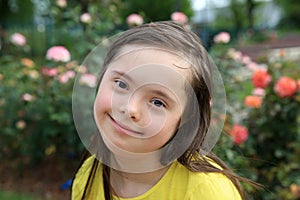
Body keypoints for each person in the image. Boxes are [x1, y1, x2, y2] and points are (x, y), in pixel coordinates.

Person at [71, 21, 256, 200]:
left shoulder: (207, 193)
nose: (130, 108)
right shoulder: (88, 174)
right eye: (121, 84)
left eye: (158, 102)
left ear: (186, 117)